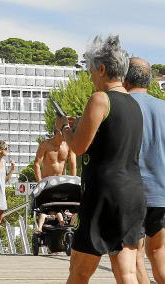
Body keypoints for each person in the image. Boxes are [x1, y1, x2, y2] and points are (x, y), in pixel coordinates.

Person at [55, 35, 146, 284]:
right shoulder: (133, 105)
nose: (90, 76)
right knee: (126, 272)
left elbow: (78, 147)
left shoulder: (100, 99)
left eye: (91, 70)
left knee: (79, 270)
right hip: (132, 193)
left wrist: (65, 128)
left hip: (104, 193)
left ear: (103, 68)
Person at [124, 57, 165, 284]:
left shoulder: (119, 104)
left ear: (125, 78)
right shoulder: (163, 108)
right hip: (161, 190)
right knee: (159, 253)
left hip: (132, 191)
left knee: (135, 256)